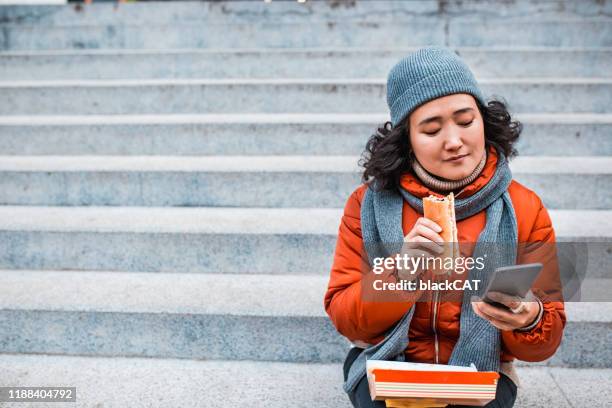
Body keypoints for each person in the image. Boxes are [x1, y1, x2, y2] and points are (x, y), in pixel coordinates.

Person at [323, 47, 566, 408]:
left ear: (484, 121)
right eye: (432, 129)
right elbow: (347, 319)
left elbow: (545, 341)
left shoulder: (524, 208)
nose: (453, 142)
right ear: (407, 139)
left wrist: (529, 319)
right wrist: (400, 275)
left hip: (482, 372)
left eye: (466, 121)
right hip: (388, 363)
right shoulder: (367, 205)